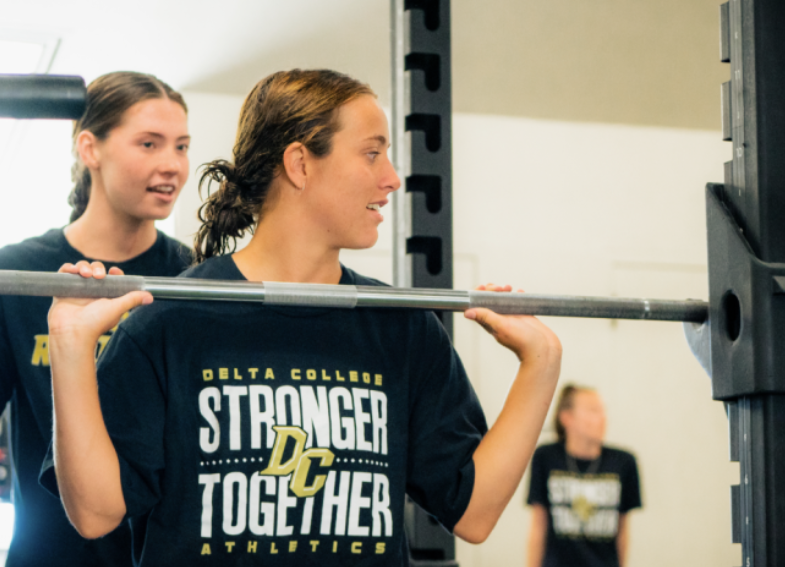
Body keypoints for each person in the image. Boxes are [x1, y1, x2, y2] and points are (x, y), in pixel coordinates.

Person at [42, 69, 563, 566]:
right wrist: (69, 349)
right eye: (372, 154)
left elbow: (473, 513)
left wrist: (541, 362)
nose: (392, 179)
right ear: (300, 164)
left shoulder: (401, 327)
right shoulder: (169, 321)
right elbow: (94, 514)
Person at [0, 71, 193, 567]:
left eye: (181, 146)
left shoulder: (194, 280)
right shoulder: (9, 276)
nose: (172, 164)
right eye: (149, 143)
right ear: (90, 148)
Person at [526, 385, 641, 567]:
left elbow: (622, 530)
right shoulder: (546, 457)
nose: (602, 418)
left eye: (603, 410)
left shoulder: (624, 462)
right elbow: (539, 526)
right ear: (567, 418)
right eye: (593, 411)